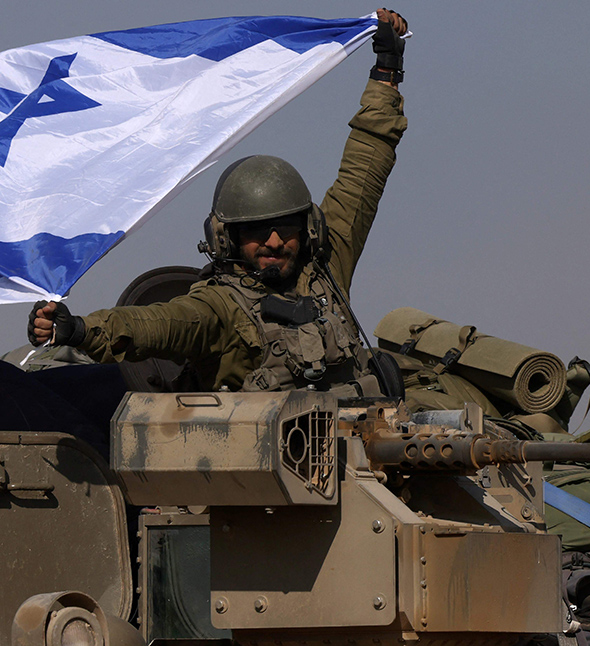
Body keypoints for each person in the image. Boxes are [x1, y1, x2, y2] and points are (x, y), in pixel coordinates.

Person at [29, 9, 408, 396]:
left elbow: (366, 163)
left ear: (308, 228)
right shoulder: (219, 308)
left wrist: (386, 72)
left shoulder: (328, 264)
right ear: (226, 239)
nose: (275, 241)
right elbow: (157, 324)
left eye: (285, 228)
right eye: (258, 231)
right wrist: (77, 329)